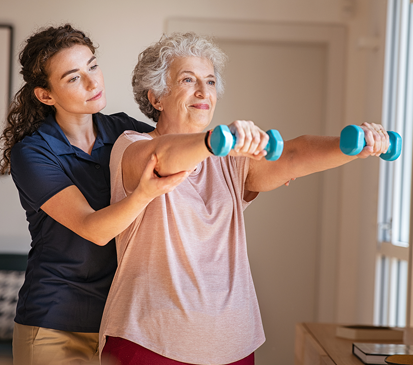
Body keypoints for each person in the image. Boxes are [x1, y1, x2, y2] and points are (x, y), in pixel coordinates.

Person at [99, 32, 390, 365]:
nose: (203, 91)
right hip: (149, 341)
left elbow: (293, 154)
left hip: (232, 344)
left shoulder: (229, 159)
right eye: (188, 79)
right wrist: (216, 141)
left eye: (210, 82)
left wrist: (353, 146)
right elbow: (163, 158)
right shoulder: (132, 145)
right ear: (156, 97)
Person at [0, 24, 189, 365]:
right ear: (46, 95)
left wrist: (245, 172)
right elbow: (94, 229)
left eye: (92, 66)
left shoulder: (124, 131)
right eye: (73, 78)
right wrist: (144, 193)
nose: (92, 82)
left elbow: (177, 153)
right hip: (54, 324)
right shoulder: (32, 153)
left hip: (118, 321)